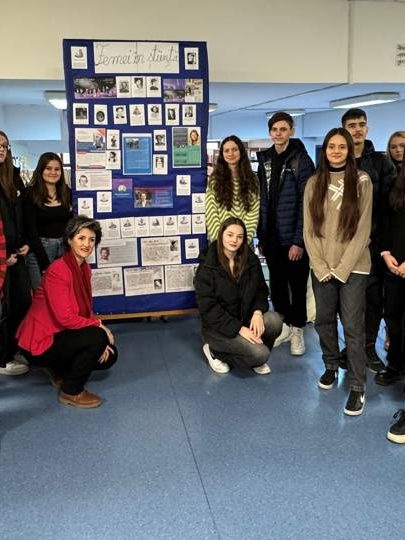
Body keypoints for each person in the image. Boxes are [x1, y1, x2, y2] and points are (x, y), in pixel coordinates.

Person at [303, 128, 372, 416]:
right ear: (325, 150)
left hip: (354, 268)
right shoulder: (314, 182)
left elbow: (363, 230)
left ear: (349, 150)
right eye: (331, 146)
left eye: (342, 146)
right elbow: (309, 229)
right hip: (322, 267)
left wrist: (342, 269)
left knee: (353, 327)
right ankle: (331, 365)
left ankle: (357, 386)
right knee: (324, 321)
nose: (336, 151)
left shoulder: (363, 181)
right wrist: (320, 265)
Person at [16, 216, 118, 408]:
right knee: (97, 337)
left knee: (110, 354)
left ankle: (58, 370)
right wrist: (99, 327)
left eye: (92, 239)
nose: (87, 244)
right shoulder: (58, 270)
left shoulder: (84, 268)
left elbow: (85, 309)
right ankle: (72, 391)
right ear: (70, 240)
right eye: (81, 238)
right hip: (39, 340)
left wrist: (100, 334)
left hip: (59, 334)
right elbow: (65, 318)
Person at [340, 109, 396, 372]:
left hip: (373, 243)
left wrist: (383, 243)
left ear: (367, 128)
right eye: (352, 125)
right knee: (347, 301)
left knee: (372, 300)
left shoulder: (381, 163)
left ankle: (368, 347)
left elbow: (389, 205)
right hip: (343, 242)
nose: (357, 129)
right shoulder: (336, 159)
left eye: (361, 124)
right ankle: (350, 346)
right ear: (344, 129)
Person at [257, 111, 315, 356]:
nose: (279, 133)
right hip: (271, 237)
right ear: (270, 132)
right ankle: (284, 326)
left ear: (291, 130)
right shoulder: (265, 160)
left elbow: (307, 203)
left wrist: (298, 241)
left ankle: (297, 329)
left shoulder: (302, 160)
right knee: (278, 285)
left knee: (297, 286)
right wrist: (261, 236)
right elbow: (262, 200)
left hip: (293, 238)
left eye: (283, 129)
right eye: (274, 129)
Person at [194, 217, 282, 375]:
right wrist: (239, 329)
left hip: (245, 319)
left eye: (239, 237)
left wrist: (257, 312)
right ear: (221, 235)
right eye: (230, 235)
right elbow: (208, 308)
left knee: (274, 321)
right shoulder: (207, 265)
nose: (234, 240)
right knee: (260, 354)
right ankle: (214, 351)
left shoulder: (250, 259)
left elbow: (261, 290)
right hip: (219, 329)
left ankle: (254, 355)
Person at [0, 130, 31, 376]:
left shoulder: (14, 178)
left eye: (4, 146)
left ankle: (15, 348)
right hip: (2, 256)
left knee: (22, 303)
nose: (1, 149)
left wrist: (26, 242)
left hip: (18, 253)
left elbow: (23, 214)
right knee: (4, 309)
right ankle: (3, 358)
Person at [375, 154, 405, 388]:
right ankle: (395, 365)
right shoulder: (395, 186)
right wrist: (385, 253)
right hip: (394, 267)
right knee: (393, 319)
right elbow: (384, 223)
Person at [24, 153, 72, 291]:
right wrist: (44, 264)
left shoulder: (67, 192)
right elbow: (31, 230)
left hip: (64, 249)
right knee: (43, 295)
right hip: (39, 251)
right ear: (41, 170)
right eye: (48, 168)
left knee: (61, 293)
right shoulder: (30, 194)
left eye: (57, 169)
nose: (53, 172)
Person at [205, 135, 259, 245]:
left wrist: (241, 240)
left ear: (241, 152)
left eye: (234, 149)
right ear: (222, 154)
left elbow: (253, 212)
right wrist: (221, 241)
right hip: (219, 243)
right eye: (226, 150)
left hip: (244, 243)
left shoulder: (252, 179)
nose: (231, 153)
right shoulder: (214, 180)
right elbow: (211, 211)